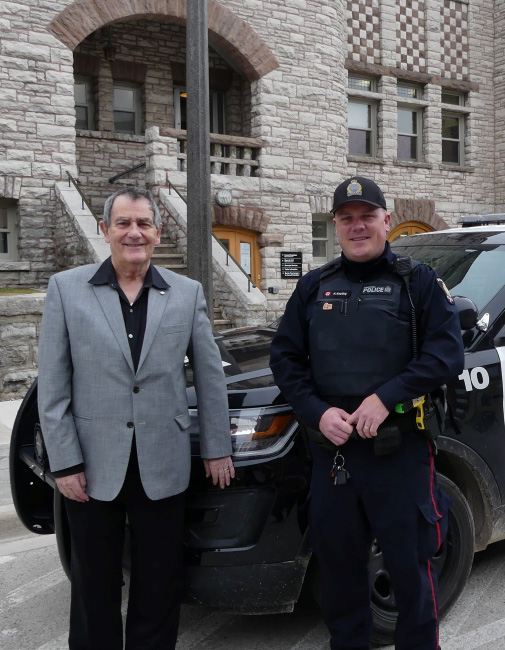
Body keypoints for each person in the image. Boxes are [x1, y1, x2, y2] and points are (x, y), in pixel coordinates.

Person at [270, 176, 464, 650]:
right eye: (346, 218)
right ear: (336, 226)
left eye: (366, 216)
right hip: (333, 460)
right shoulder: (314, 286)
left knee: (410, 573)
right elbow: (285, 359)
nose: (357, 227)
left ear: (386, 221)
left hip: (399, 457)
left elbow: (445, 355)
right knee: (339, 578)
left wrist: (386, 398)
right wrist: (316, 413)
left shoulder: (416, 282)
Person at [37, 187, 234, 650]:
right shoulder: (67, 289)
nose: (134, 232)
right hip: (90, 467)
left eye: (144, 224)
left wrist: (217, 446)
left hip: (163, 465)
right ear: (105, 231)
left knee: (159, 582)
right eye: (123, 223)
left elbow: (209, 377)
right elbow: (53, 386)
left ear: (157, 233)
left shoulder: (186, 294)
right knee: (93, 583)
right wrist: (64, 463)